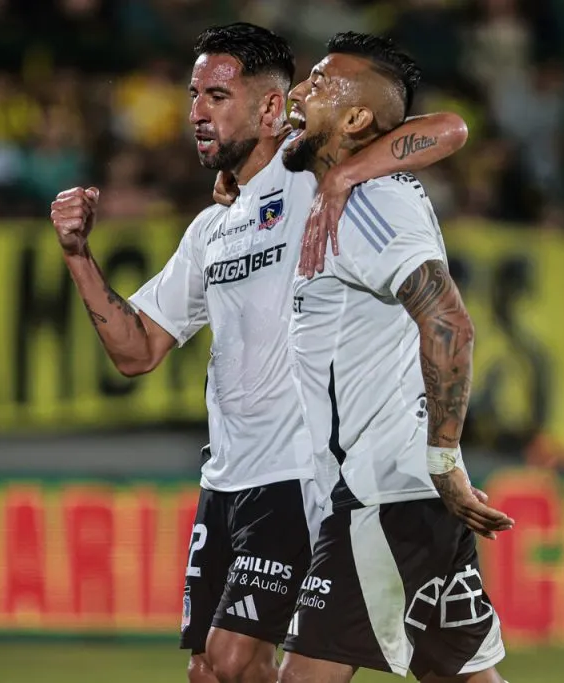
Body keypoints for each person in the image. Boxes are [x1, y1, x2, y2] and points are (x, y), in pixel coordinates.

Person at [50, 23, 469, 683]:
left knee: (238, 658)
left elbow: (446, 129)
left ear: (272, 108)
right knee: (213, 670)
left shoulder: (313, 177)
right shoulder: (212, 227)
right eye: (193, 95)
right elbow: (137, 350)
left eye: (217, 96)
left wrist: (349, 172)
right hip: (226, 478)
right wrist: (78, 255)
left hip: (298, 473)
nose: (197, 112)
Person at [280, 32, 513, 683]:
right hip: (399, 491)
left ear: (356, 119)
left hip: (383, 493)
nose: (298, 91)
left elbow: (448, 322)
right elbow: (446, 128)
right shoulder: (344, 187)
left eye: (318, 83)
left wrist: (445, 459)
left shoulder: (366, 204)